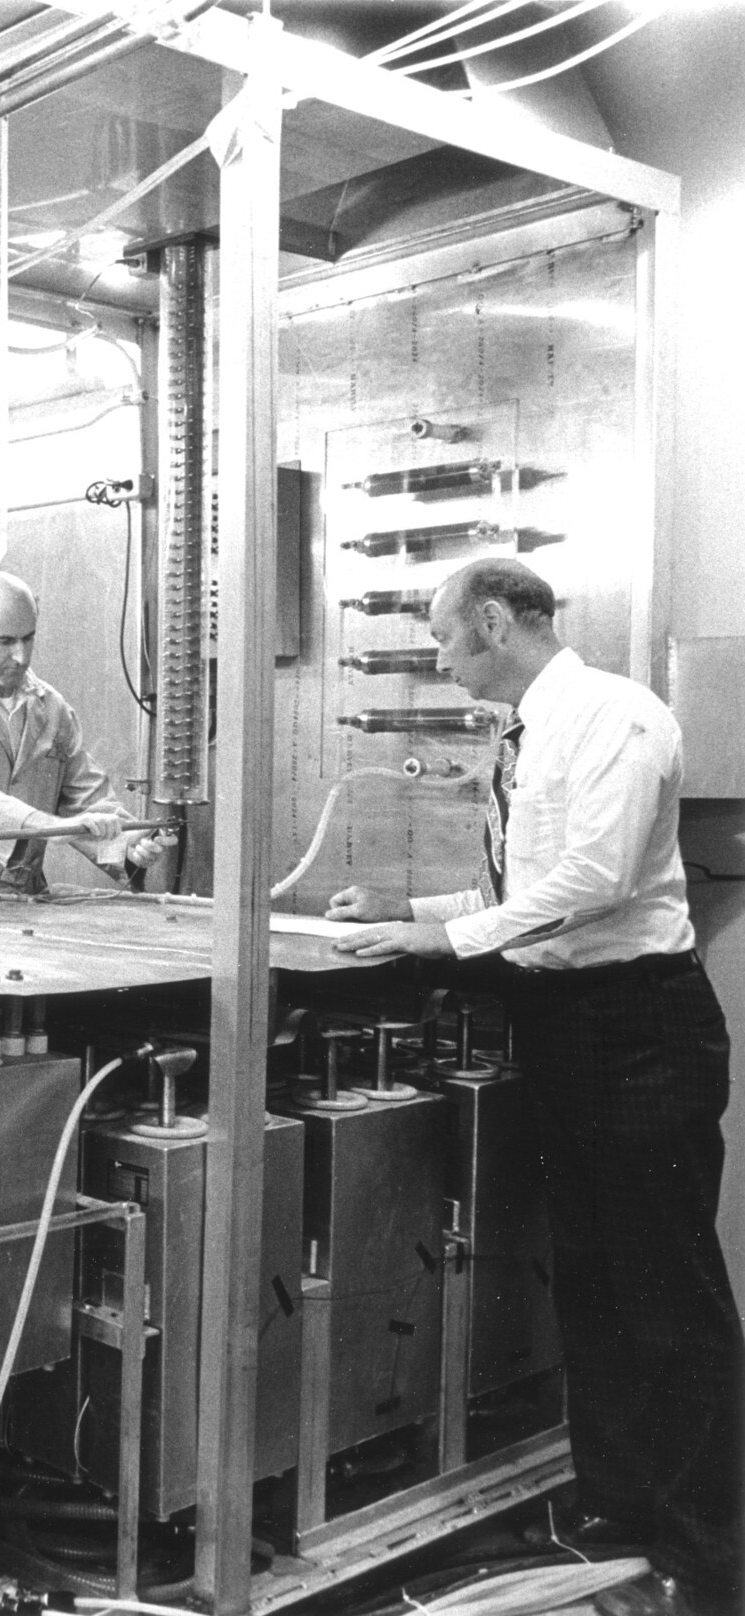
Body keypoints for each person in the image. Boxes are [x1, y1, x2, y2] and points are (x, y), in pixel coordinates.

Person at [327, 558, 740, 1616]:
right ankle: (613, 1513)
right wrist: (406, 903)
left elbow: (591, 883)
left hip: (638, 1027)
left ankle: (708, 1559)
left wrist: (438, 938)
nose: (437, 657)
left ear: (496, 621)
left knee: (667, 1293)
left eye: (442, 637)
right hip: (563, 1026)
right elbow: (520, 889)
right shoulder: (524, 737)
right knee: (592, 1285)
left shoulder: (618, 716)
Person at [0, 571, 171, 900]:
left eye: (28, 638)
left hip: (24, 890)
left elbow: (90, 800)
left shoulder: (53, 708)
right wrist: (47, 825)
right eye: (5, 641)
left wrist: (128, 844)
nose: (22, 656)